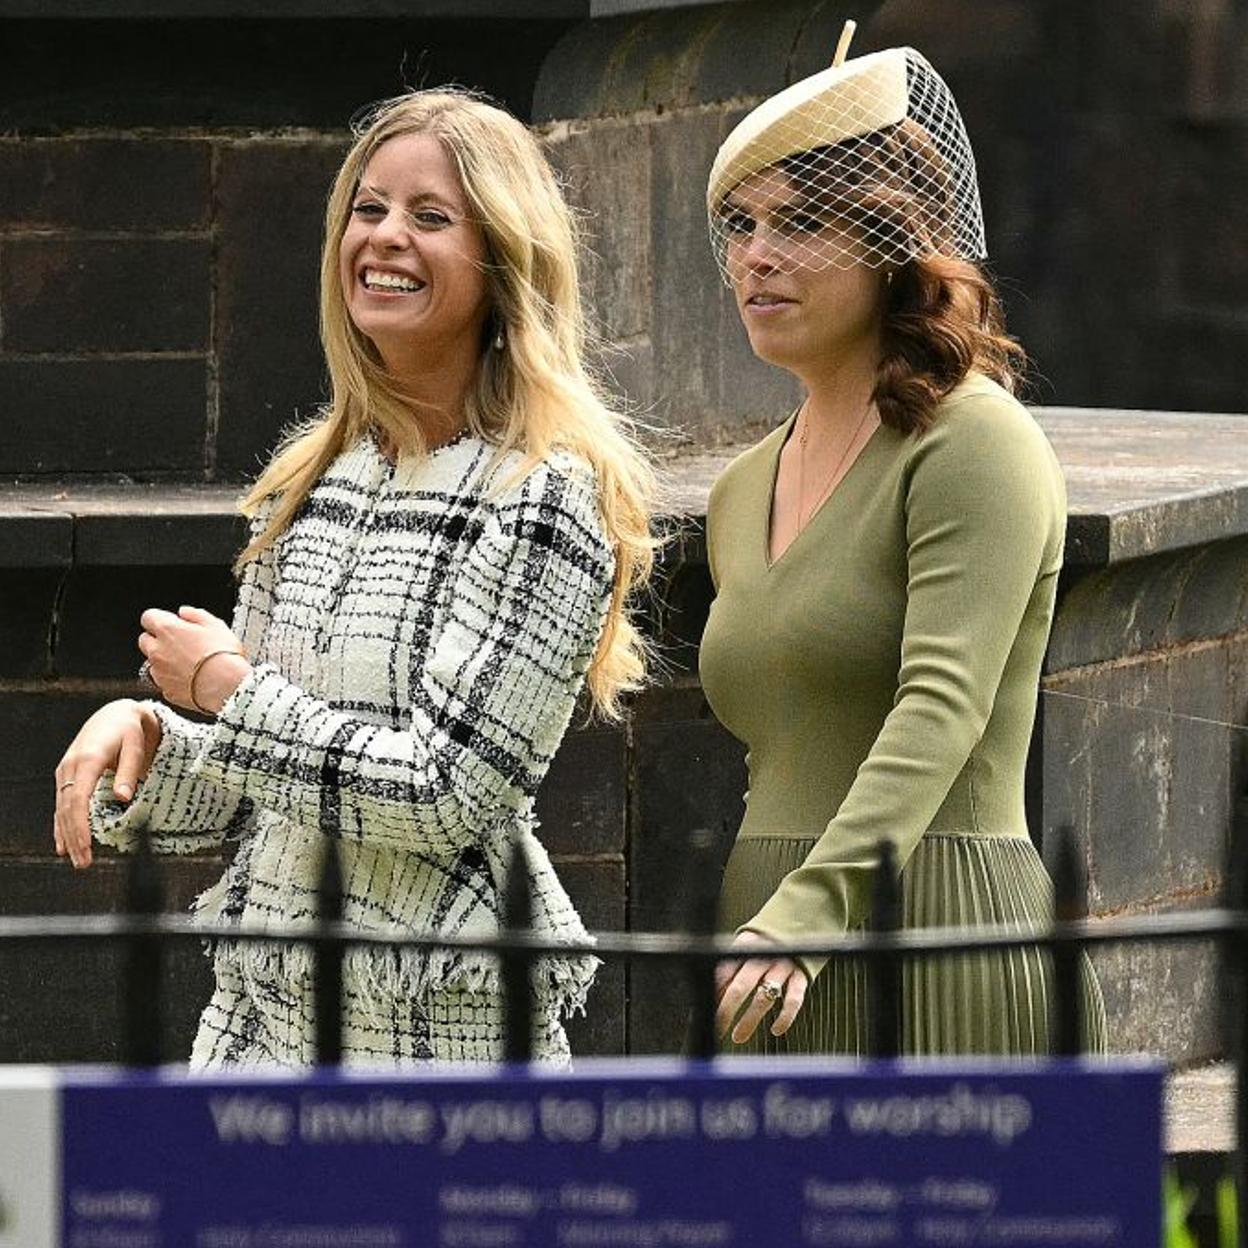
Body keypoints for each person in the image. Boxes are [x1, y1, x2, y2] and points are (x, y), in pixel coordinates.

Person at [52, 87, 655, 1068]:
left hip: (441, 1036)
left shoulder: (546, 497)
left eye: (429, 217)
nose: (385, 238)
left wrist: (229, 690)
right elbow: (255, 779)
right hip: (262, 1018)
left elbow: (445, 794)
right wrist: (151, 740)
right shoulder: (308, 479)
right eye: (368, 210)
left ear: (505, 258)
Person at [699, 37, 1107, 1053]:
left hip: (938, 935)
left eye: (800, 223)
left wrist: (805, 919)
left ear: (889, 243)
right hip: (763, 956)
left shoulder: (974, 440)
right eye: (742, 225)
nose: (757, 254)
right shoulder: (739, 492)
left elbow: (943, 708)